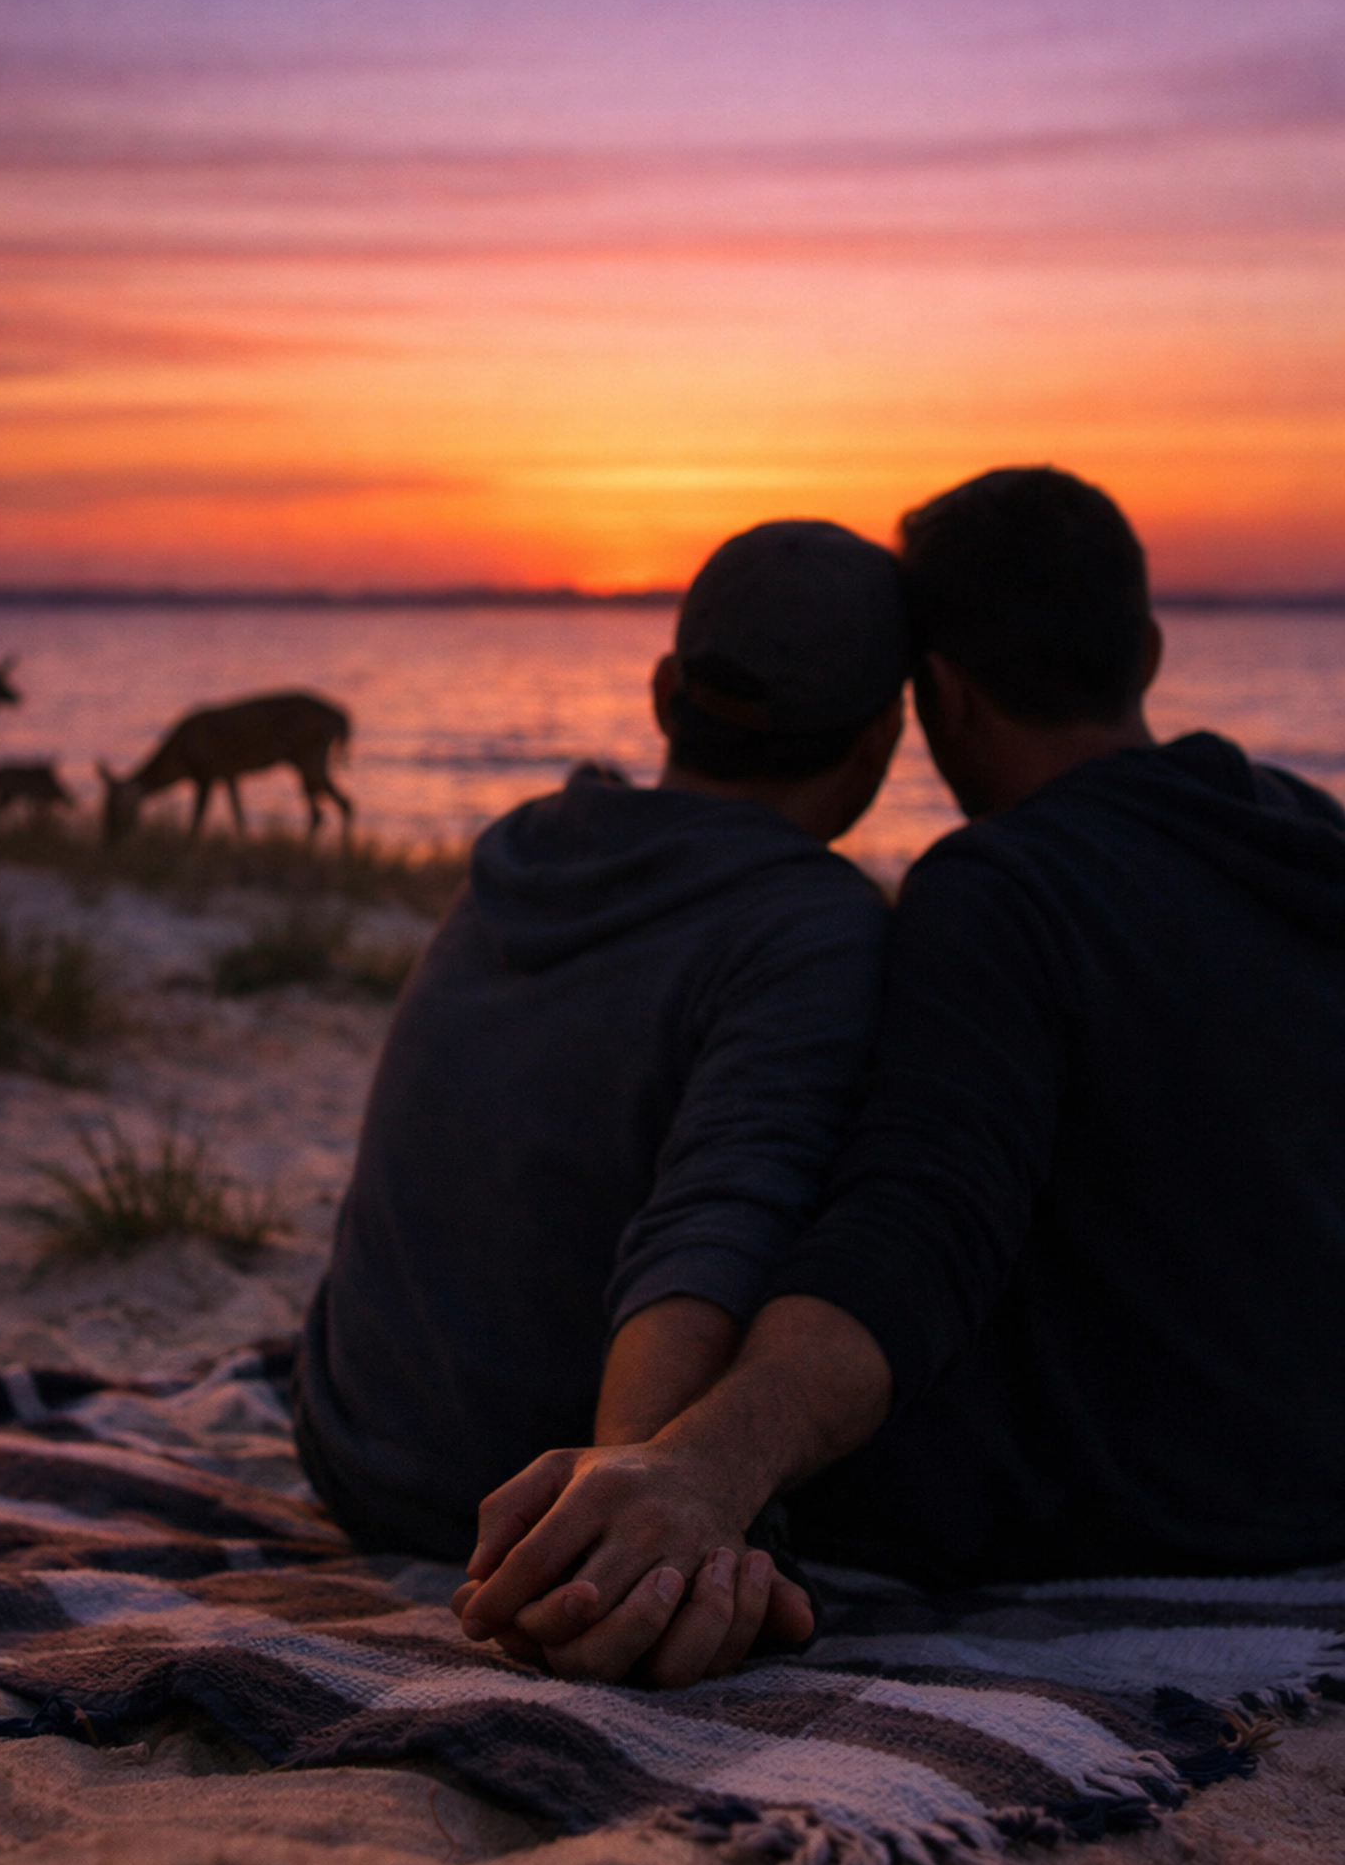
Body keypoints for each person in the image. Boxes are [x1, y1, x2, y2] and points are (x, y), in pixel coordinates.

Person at [458, 465, 1345, 1686]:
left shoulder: (1003, 888)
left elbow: (919, 1219)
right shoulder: (1308, 834)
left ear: (939, 697)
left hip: (1144, 1511)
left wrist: (705, 1465)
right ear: (1145, 650)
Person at [293, 519, 908, 1664]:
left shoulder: (527, 849)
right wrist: (633, 1488)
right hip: (532, 1499)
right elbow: (719, 1216)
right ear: (885, 733)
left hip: (350, 1442)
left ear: (667, 687)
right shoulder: (812, 922)